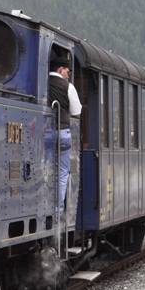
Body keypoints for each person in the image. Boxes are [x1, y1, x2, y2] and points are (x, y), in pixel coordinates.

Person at [48, 56, 82, 207]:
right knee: (62, 174)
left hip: (45, 134)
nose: (68, 75)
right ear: (60, 69)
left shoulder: (42, 83)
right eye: (67, 72)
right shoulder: (67, 86)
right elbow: (77, 112)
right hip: (62, 132)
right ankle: (58, 209)